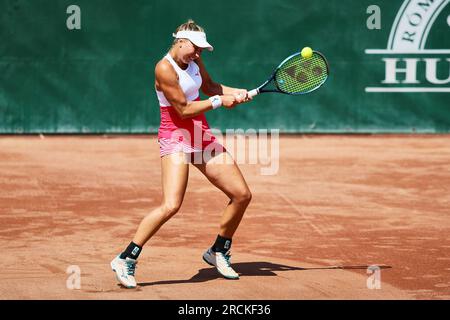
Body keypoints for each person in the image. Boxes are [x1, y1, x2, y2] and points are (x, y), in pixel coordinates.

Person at [110, 19, 252, 288]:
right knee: (171, 205)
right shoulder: (164, 68)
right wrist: (220, 102)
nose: (198, 54)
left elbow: (210, 87)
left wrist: (237, 92)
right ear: (180, 42)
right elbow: (184, 110)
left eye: (201, 50)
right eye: (195, 48)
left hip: (200, 135)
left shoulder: (196, 62)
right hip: (175, 137)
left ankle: (218, 250)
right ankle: (125, 258)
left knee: (241, 194)